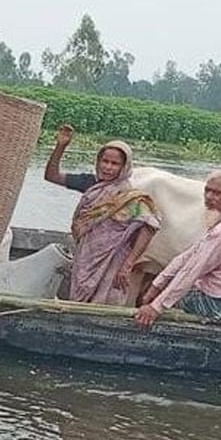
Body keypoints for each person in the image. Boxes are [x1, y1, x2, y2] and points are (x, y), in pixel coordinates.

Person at [44, 124, 160, 305]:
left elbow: (150, 226)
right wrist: (61, 146)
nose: (108, 167)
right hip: (85, 259)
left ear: (124, 167)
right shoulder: (90, 183)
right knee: (79, 299)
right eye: (104, 161)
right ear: (98, 161)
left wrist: (129, 263)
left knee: (106, 301)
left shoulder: (129, 197)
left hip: (113, 264)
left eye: (114, 164)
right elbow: (52, 176)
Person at [133, 170, 221, 329]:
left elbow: (191, 271)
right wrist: (156, 285)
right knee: (166, 290)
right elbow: (188, 255)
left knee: (171, 297)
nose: (209, 197)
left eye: (217, 193)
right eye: (207, 190)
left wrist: (155, 306)